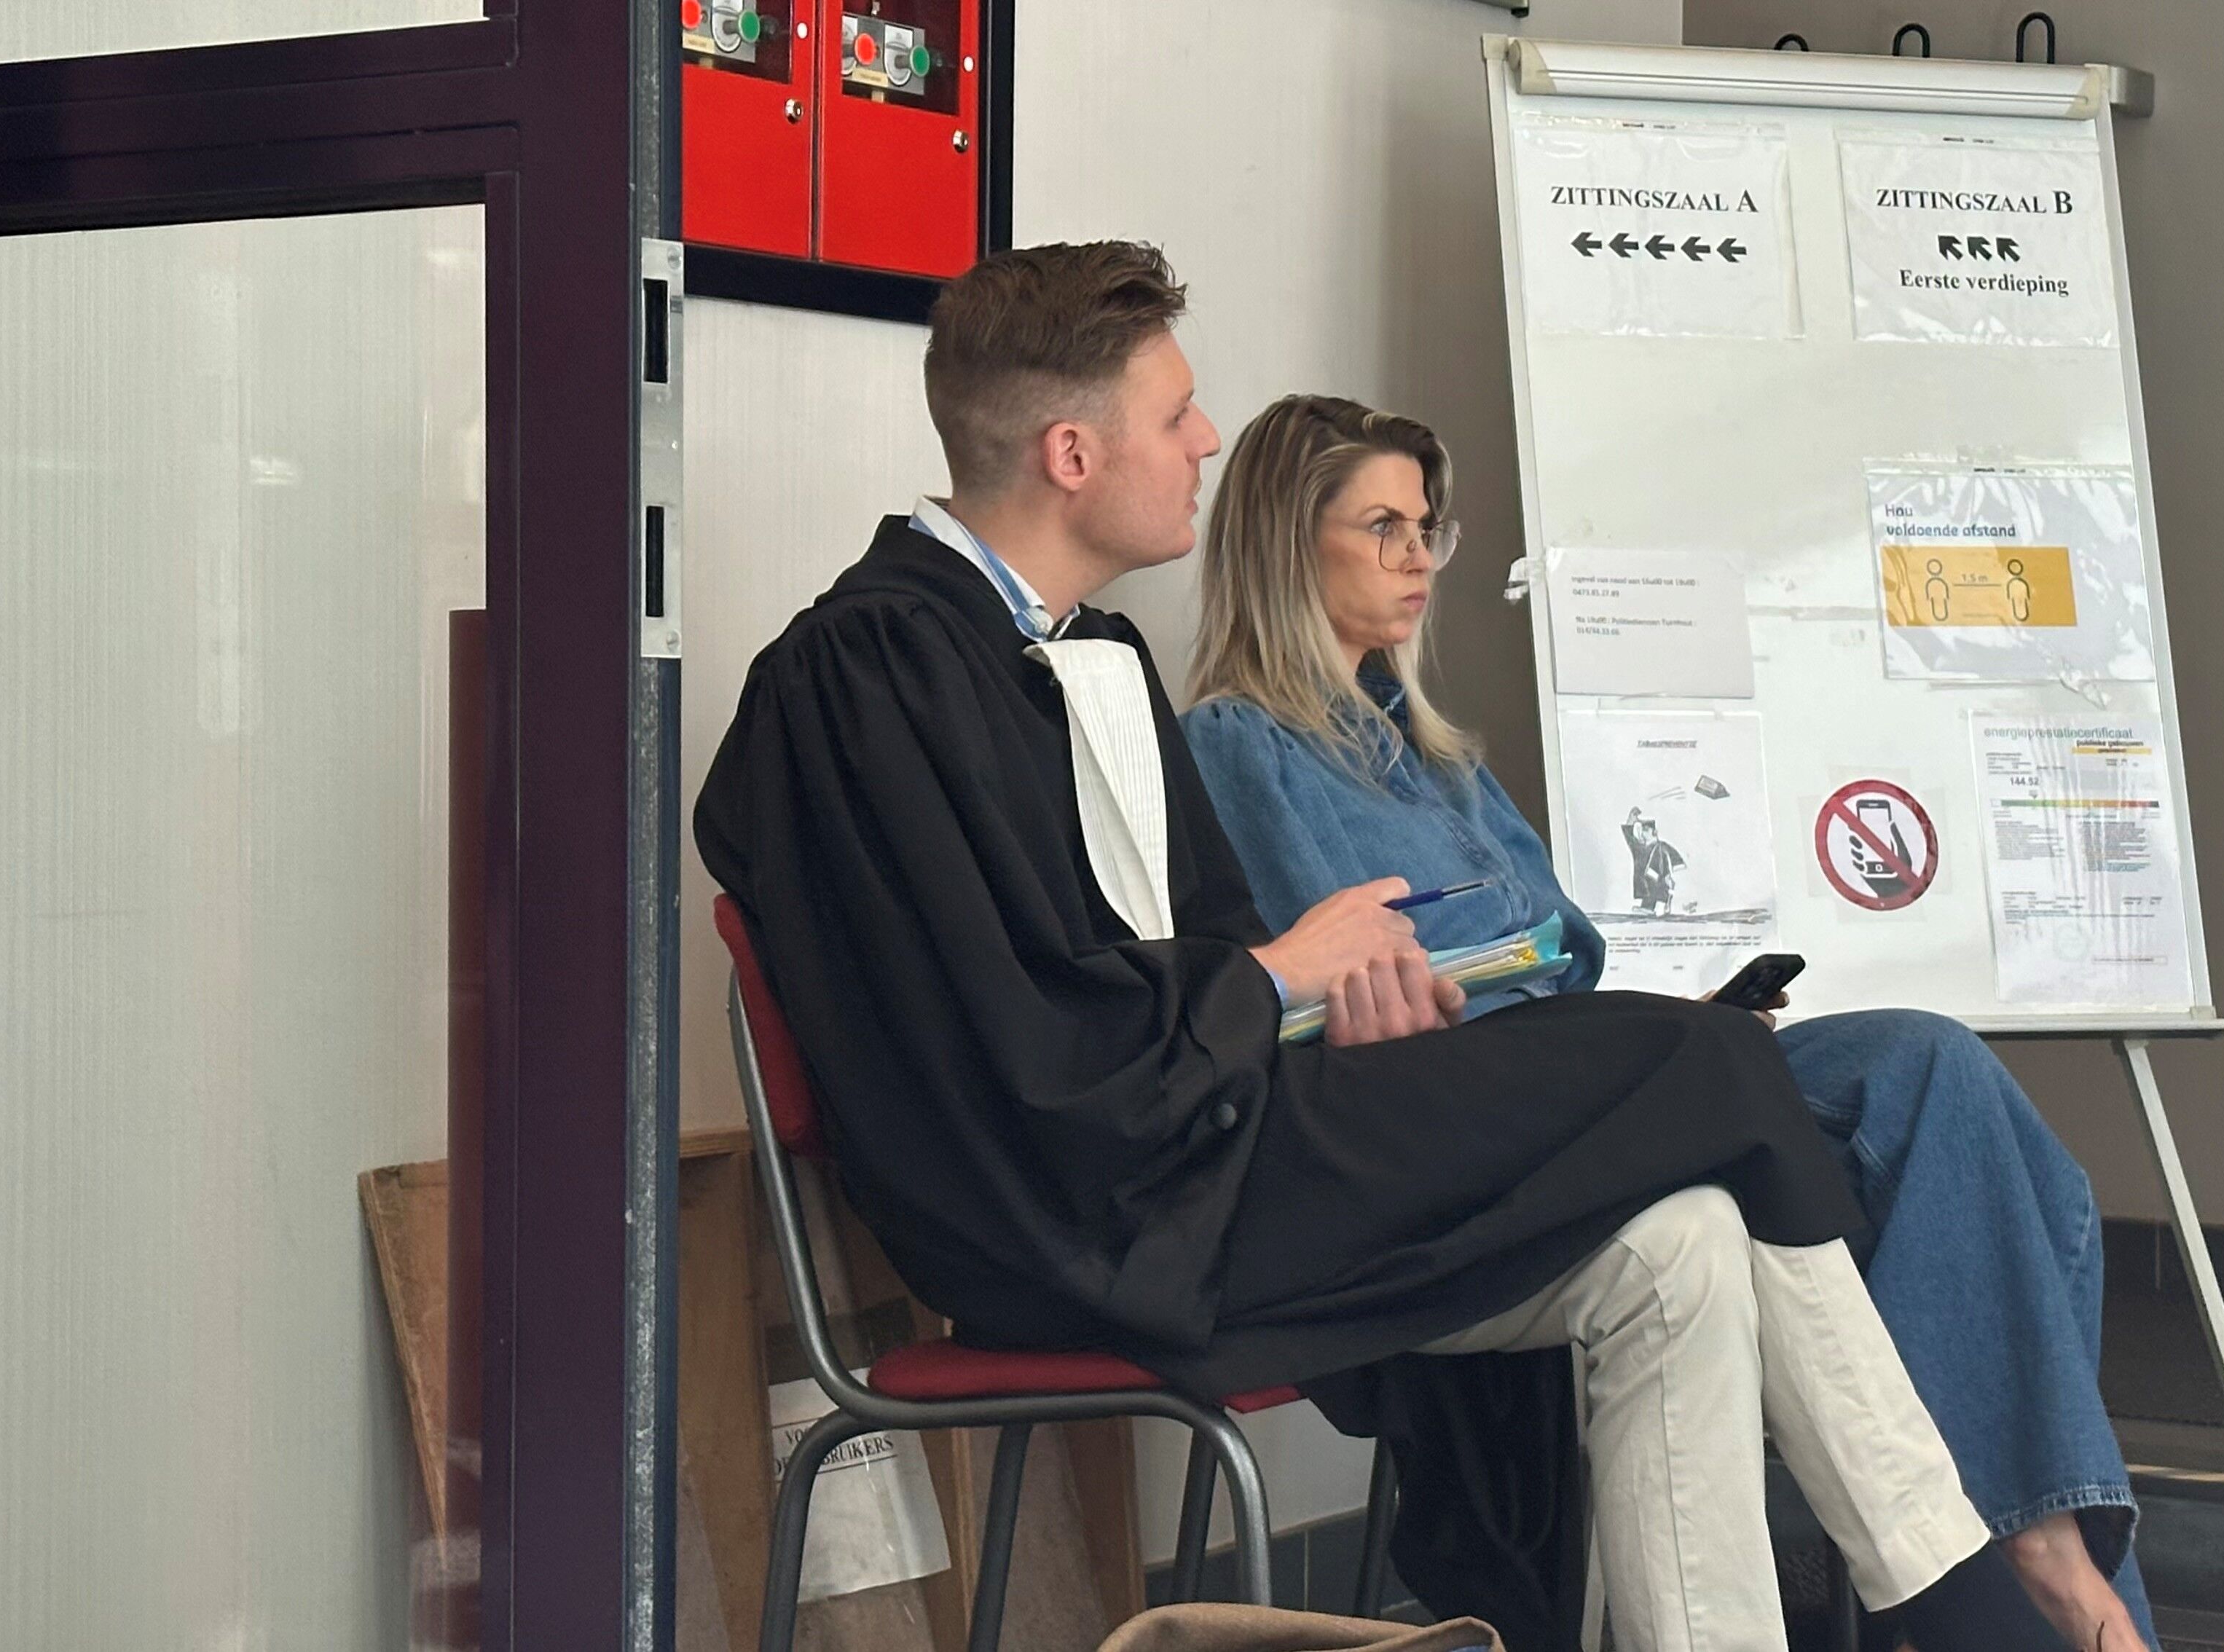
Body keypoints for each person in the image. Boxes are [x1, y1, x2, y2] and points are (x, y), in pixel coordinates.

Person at [694, 243, 2085, 1652]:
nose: (1206, 439)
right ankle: (1982, 1612)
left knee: (1685, 1242)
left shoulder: (1091, 652)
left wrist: (1315, 1001)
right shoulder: (867, 670)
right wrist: (1273, 979)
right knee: (1708, 1064)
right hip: (1091, 1214)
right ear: (1071, 453)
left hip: (1202, 1140)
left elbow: (1179, 974)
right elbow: (1020, 1044)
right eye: (1174, 413)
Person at [1177, 393, 2158, 1652]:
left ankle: (2035, 1554)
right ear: (1283, 544)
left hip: (1589, 1078)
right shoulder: (1239, 745)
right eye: (1384, 528)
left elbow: (1562, 960)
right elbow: (1321, 995)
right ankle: (2043, 1591)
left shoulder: (1436, 756)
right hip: (1466, 1118)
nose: (1420, 558)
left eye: (1428, 529)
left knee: (1937, 1073)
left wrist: (1666, 1030)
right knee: (1889, 1154)